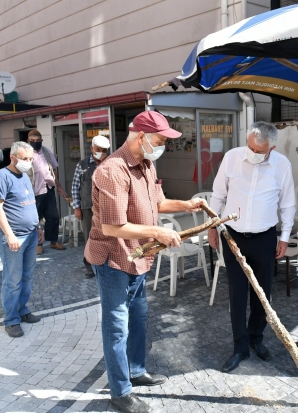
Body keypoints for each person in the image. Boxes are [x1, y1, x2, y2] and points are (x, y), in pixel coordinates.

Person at [84, 110, 205, 413]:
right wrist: (158, 232)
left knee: (139, 318)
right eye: (161, 140)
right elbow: (112, 227)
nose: (164, 145)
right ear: (141, 136)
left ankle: (136, 371)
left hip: (138, 256)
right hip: (113, 258)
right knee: (116, 327)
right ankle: (120, 392)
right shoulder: (112, 170)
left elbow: (159, 203)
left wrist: (187, 204)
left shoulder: (147, 164)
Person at [208, 121, 296, 374]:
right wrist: (213, 227)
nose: (253, 154)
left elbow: (288, 204)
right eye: (250, 148)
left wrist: (284, 237)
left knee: (262, 293)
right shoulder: (232, 157)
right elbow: (217, 195)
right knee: (237, 293)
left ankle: (257, 337)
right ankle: (240, 347)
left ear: (272, 148)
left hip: (265, 236)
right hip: (233, 236)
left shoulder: (282, 165)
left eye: (259, 151)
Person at [0, 141, 44, 338]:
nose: (28, 162)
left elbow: (30, 203)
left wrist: (37, 227)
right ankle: (11, 319)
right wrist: (9, 234)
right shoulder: (1, 177)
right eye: (24, 159)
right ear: (12, 158)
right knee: (13, 280)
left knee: (27, 276)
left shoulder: (24, 176)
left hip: (30, 235)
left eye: (30, 159)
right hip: (13, 237)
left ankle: (22, 310)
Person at [72, 135, 110, 279]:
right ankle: (90, 267)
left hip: (107, 208)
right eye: (98, 149)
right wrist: (77, 207)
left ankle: (107, 264)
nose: (101, 152)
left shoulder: (111, 163)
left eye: (104, 150)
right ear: (91, 149)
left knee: (108, 235)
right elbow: (75, 187)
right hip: (88, 208)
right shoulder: (82, 165)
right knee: (89, 237)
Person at [26, 129, 68, 255]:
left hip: (48, 188)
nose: (35, 143)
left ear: (41, 141)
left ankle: (53, 241)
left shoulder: (46, 151)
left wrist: (59, 186)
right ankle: (38, 244)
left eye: (38, 141)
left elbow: (53, 170)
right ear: (28, 141)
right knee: (36, 218)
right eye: (33, 141)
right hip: (34, 190)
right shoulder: (25, 153)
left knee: (53, 216)